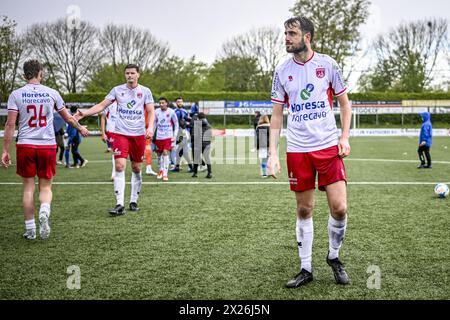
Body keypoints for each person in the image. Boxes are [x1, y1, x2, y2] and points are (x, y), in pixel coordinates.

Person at [267, 16, 352, 288]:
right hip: (298, 149)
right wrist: (272, 154)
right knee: (304, 209)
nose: (286, 38)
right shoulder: (281, 70)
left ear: (307, 37)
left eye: (292, 33)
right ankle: (306, 268)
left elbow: (345, 104)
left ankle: (334, 257)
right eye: (285, 33)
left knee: (339, 208)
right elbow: (277, 116)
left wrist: (345, 136)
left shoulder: (328, 65)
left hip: (328, 146)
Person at [1, 59, 89, 240]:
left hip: (25, 144)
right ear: (41, 73)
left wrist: (5, 150)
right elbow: (68, 118)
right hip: (47, 145)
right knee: (46, 187)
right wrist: (80, 128)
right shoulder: (52, 93)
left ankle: (30, 229)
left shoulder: (16, 94)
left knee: (27, 188)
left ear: (24, 75)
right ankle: (44, 210)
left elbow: (10, 124)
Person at [75, 64, 155, 215]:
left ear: (138, 75)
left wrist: (150, 127)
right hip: (120, 134)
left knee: (137, 168)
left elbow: (151, 111)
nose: (130, 76)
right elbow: (101, 106)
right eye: (127, 73)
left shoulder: (145, 91)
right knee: (119, 166)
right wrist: (84, 113)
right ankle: (119, 205)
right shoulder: (117, 90)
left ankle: (133, 201)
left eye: (132, 73)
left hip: (138, 135)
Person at [153, 97, 179, 181]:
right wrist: (151, 133)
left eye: (163, 103)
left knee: (165, 153)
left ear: (166, 103)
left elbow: (176, 124)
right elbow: (154, 123)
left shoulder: (171, 112)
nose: (161, 104)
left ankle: (165, 173)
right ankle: (160, 170)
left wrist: (174, 135)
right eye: (160, 103)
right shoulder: (156, 112)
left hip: (168, 136)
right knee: (159, 155)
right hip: (159, 137)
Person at [172, 96, 193, 172]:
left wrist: (188, 125)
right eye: (178, 102)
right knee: (180, 151)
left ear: (182, 102)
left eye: (181, 101)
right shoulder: (173, 111)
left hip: (183, 134)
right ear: (175, 103)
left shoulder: (185, 111)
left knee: (183, 151)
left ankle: (190, 167)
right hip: (177, 133)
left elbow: (188, 122)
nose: (179, 103)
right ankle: (178, 167)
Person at [191, 112, 213, 179]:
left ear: (198, 117)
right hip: (206, 144)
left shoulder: (196, 124)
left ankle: (195, 173)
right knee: (207, 158)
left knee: (196, 158)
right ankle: (209, 173)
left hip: (197, 144)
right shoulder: (209, 125)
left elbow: (193, 135)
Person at [100, 102, 118, 180]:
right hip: (112, 131)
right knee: (115, 152)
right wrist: (103, 133)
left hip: (125, 131)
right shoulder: (109, 102)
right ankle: (114, 173)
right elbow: (103, 117)